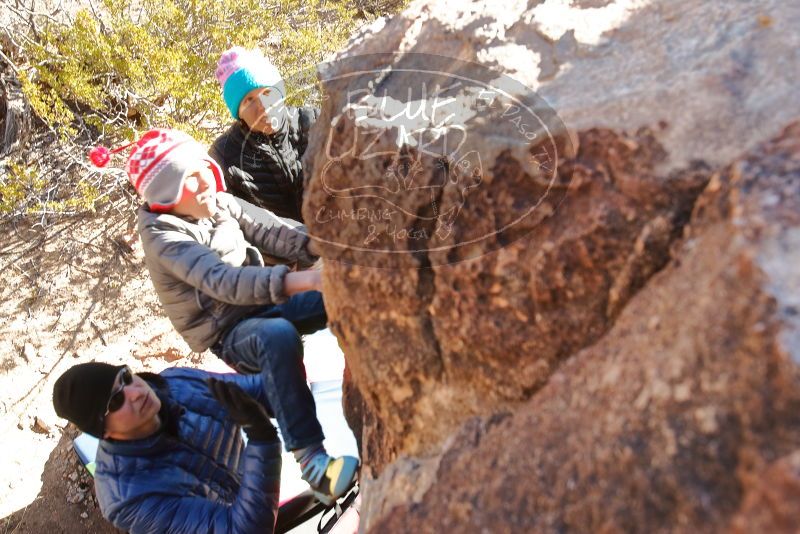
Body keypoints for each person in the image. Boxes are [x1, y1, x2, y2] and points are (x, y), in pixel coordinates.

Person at [88, 128, 357, 504]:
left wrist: (328, 247)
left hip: (263, 300)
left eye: (203, 170)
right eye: (189, 179)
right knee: (276, 337)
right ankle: (313, 462)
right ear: (164, 195)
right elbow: (224, 281)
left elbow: (272, 230)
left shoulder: (214, 201)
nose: (204, 183)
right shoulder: (165, 238)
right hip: (230, 329)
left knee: (350, 291)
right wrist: (309, 279)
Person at [52, 361, 282, 533]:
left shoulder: (179, 382)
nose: (135, 392)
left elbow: (257, 391)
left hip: (255, 490)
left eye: (126, 377)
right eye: (116, 401)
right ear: (104, 431)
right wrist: (263, 439)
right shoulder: (129, 498)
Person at [209, 46, 320, 222]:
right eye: (249, 100)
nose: (262, 105)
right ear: (238, 112)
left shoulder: (315, 121)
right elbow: (226, 223)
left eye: (267, 92)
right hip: (277, 248)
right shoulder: (224, 156)